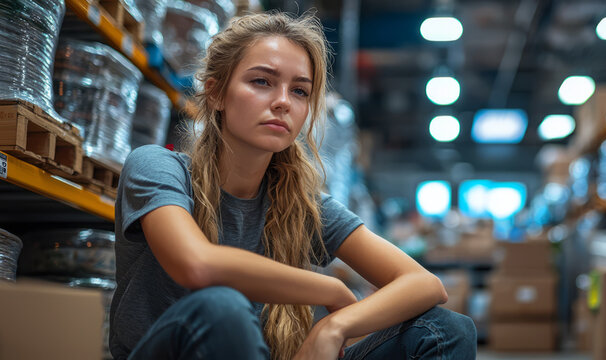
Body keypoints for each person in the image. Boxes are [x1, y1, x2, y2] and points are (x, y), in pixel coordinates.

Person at [110, 11, 476, 360]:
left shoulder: (304, 206)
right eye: (262, 82)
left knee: (446, 330)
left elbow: (426, 284)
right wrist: (329, 289)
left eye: (300, 91)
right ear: (216, 94)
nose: (283, 102)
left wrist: (333, 327)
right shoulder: (157, 167)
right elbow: (196, 265)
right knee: (222, 307)